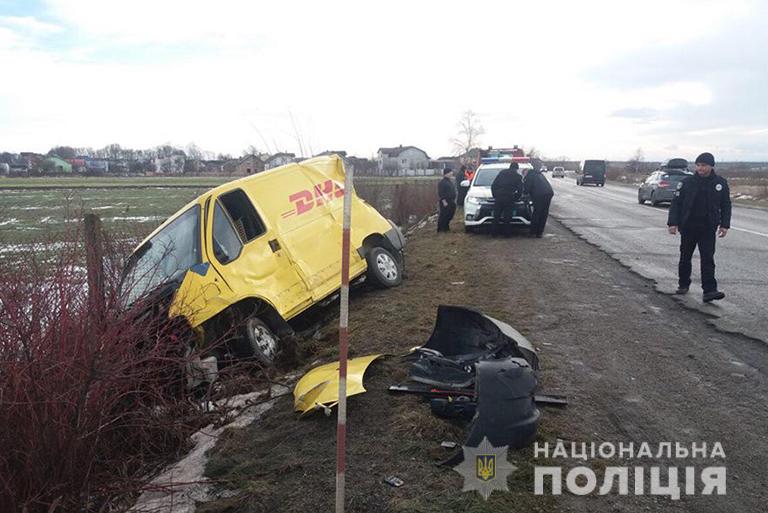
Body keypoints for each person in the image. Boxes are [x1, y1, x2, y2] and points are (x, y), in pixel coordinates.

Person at [667, 152, 731, 303]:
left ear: (711, 166)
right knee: (685, 257)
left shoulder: (720, 183)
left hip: (708, 227)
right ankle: (683, 284)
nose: (700, 168)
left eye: (704, 165)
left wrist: (724, 225)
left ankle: (709, 290)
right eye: (698, 165)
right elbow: (676, 203)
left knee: (707, 259)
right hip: (689, 226)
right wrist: (672, 223)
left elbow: (726, 204)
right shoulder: (687, 182)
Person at [490, 162, 523, 237]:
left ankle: (494, 233)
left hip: (499, 197)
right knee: (507, 217)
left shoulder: (502, 173)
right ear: (516, 169)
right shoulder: (518, 177)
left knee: (496, 216)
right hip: (509, 197)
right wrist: (515, 198)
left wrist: (495, 195)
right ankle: (506, 234)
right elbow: (520, 190)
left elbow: (493, 185)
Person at [524, 166, 554, 237]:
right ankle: (539, 233)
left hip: (539, 194)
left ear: (526, 172)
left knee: (537, 213)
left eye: (524, 174)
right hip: (548, 193)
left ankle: (533, 232)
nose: (524, 176)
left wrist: (524, 194)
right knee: (544, 213)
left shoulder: (530, 176)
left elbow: (526, 189)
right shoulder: (539, 174)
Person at [437, 168, 457, 232]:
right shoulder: (442, 182)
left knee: (450, 214)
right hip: (445, 201)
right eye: (451, 172)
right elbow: (441, 193)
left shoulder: (449, 181)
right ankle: (441, 229)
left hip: (451, 201)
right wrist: (444, 201)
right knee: (444, 215)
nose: (452, 173)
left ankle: (446, 226)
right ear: (447, 173)